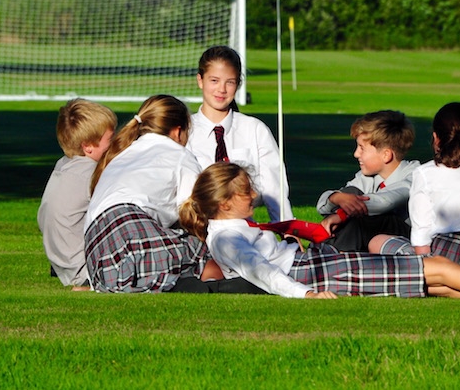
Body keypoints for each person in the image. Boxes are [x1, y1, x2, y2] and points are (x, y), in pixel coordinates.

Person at [179, 162, 460, 301]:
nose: (254, 193)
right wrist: (306, 295)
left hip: (318, 264)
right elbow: (262, 273)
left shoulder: (231, 226)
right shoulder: (228, 236)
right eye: (246, 190)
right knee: (436, 268)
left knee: (434, 281)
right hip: (315, 275)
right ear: (226, 202)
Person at [84, 94, 264, 295]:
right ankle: (211, 285)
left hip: (96, 251)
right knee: (206, 250)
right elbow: (200, 212)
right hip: (131, 229)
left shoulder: (120, 155)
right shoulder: (179, 155)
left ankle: (168, 282)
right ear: (178, 132)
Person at [370, 102, 460, 274]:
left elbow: (421, 242)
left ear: (436, 138)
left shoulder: (426, 173)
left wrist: (426, 271)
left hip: (452, 260)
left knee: (379, 241)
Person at [187, 45, 292, 223]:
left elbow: (274, 189)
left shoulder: (254, 129)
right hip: (196, 228)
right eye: (214, 80)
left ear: (238, 84)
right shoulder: (185, 131)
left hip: (244, 230)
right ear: (200, 80)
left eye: (230, 82)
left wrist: (287, 231)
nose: (222, 89)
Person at [37, 98, 116, 287]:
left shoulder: (64, 165)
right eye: (110, 140)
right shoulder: (90, 173)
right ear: (88, 146)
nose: (115, 144)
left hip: (61, 260)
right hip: (82, 267)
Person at [316, 110, 419, 251]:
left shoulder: (416, 175)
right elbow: (324, 205)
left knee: (367, 219)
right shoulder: (366, 178)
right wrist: (336, 197)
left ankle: (332, 259)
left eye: (362, 148)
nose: (356, 153)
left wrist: (343, 214)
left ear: (386, 155)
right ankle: (321, 253)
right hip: (374, 239)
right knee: (350, 194)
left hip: (407, 241)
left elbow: (386, 201)